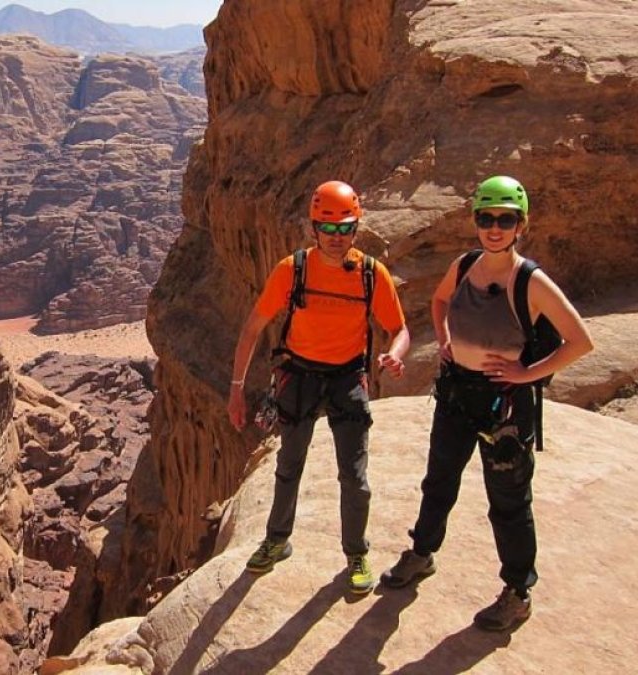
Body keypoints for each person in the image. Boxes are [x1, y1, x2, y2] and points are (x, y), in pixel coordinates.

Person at [380, 176, 593, 631]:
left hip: (506, 405)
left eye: (505, 219)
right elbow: (439, 301)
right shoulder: (465, 265)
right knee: (439, 480)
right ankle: (422, 553)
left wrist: (526, 374)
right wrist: (445, 340)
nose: (494, 228)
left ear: (521, 224)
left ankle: (517, 591)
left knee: (509, 501)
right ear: (475, 221)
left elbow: (581, 341)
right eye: (486, 218)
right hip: (457, 392)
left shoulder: (531, 281)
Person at [227, 180, 410, 593]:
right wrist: (236, 389)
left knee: (355, 475)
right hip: (300, 376)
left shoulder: (369, 274)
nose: (335, 238)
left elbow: (399, 329)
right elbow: (251, 329)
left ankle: (356, 554)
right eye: (327, 229)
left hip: (347, 377)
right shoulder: (292, 270)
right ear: (313, 228)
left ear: (356, 228)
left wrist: (396, 353)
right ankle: (276, 541)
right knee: (289, 465)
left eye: (344, 228)